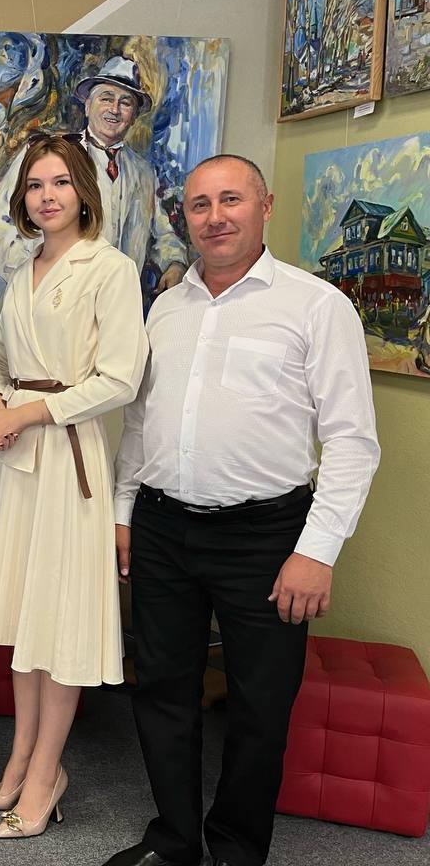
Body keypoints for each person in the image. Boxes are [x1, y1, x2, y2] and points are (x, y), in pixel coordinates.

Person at [105, 155, 380, 866]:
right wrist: (124, 511)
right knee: (161, 691)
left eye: (231, 199)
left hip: (268, 538)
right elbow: (138, 422)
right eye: (200, 205)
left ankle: (235, 848)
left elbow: (352, 442)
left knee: (260, 706)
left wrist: (316, 551)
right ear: (186, 219)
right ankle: (175, 840)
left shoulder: (317, 306)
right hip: (163, 527)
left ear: (266, 205)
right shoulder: (166, 308)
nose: (215, 216)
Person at [0, 134, 148, 838]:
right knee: (23, 617)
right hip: (18, 464)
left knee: (62, 618)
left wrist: (26, 413)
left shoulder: (111, 269)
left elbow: (120, 379)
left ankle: (46, 774)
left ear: (84, 193)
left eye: (61, 183)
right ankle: (19, 761)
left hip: (70, 461)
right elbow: (0, 360)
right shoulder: (22, 272)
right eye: (36, 185)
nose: (47, 196)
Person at [0, 55, 188, 333]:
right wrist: (29, 271)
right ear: (87, 105)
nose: (115, 109)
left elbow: (164, 233)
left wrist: (174, 262)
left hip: (108, 318)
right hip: (36, 312)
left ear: (134, 115)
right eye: (106, 98)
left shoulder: (144, 172)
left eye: (126, 102)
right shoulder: (48, 153)